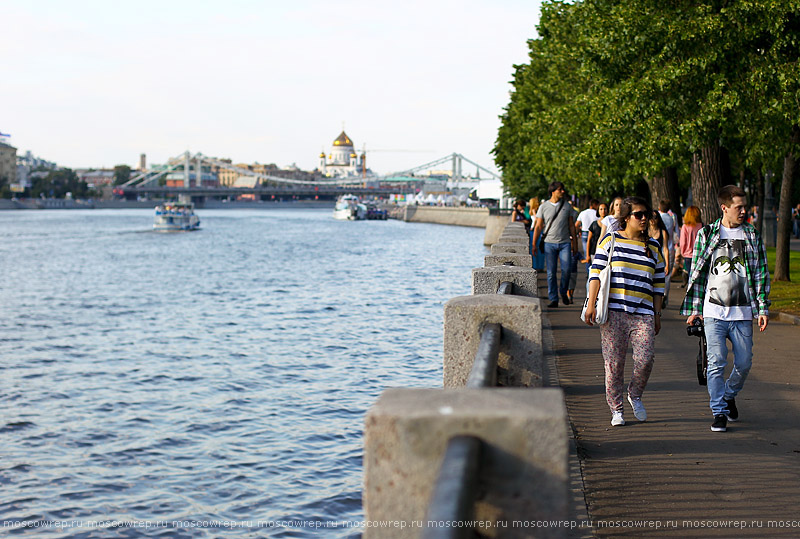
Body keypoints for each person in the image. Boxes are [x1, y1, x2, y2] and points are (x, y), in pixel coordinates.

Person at [680, 185, 771, 433]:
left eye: (744, 206)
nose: (744, 211)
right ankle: (718, 411)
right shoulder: (707, 234)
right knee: (717, 360)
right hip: (713, 313)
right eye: (738, 207)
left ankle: (729, 395)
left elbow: (761, 274)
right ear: (724, 208)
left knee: (743, 362)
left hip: (742, 314)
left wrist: (763, 308)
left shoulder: (751, 235)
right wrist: (695, 309)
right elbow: (697, 275)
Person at [584, 197, 665, 426]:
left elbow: (658, 284)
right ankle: (616, 409)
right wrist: (591, 303)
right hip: (614, 312)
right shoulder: (611, 240)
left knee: (645, 359)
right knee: (614, 364)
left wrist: (657, 315)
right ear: (626, 217)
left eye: (646, 215)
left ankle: (635, 394)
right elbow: (596, 272)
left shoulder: (654, 247)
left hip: (644, 313)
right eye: (638, 215)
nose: (644, 219)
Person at [532, 181, 578, 308]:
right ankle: (553, 298)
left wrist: (575, 244)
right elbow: (538, 226)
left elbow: (571, 226)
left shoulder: (567, 206)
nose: (562, 191)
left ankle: (563, 292)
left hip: (565, 243)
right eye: (560, 189)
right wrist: (534, 244)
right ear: (553, 191)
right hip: (549, 244)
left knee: (567, 269)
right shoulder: (544, 207)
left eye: (563, 189)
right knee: (551, 273)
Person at [649, 211, 671, 306]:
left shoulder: (663, 232)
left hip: (658, 260)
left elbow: (665, 248)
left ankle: (659, 301)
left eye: (655, 217)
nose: (653, 220)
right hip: (648, 259)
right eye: (651, 217)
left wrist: (667, 264)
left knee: (658, 284)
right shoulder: (645, 230)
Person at [678, 206, 703, 288]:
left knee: (690, 275)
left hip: (688, 255)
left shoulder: (685, 227)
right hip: (699, 255)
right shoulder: (701, 226)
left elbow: (683, 242)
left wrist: (683, 253)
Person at [529, 197, 545, 271]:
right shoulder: (538, 209)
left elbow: (536, 219)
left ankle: (536, 265)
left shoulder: (534, 210)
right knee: (540, 248)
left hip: (535, 229)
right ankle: (540, 266)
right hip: (540, 229)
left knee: (534, 247)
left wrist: (533, 226)